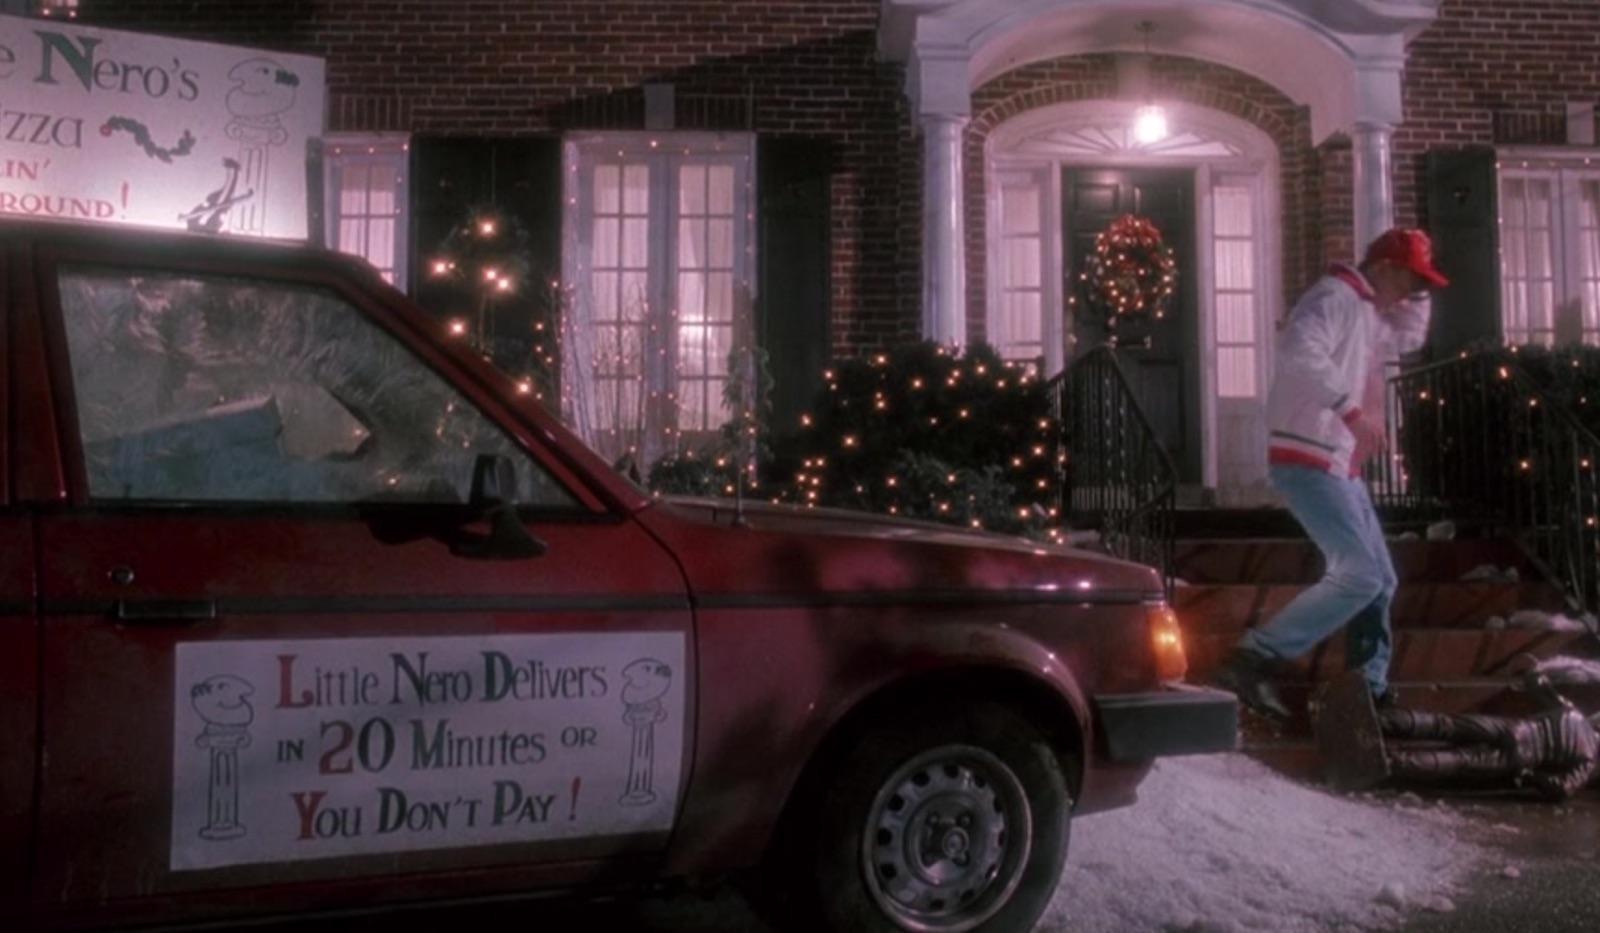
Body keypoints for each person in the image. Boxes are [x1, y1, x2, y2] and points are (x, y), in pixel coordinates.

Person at [1211, 228, 1449, 719]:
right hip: (1307, 455)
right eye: (1407, 280)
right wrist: (1350, 411)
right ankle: (1254, 656)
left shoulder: (1366, 310)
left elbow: (1408, 337)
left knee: (1381, 579)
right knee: (1360, 574)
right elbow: (1299, 353)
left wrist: (1422, 292)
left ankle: (1367, 688)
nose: (1407, 293)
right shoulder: (1333, 297)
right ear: (1382, 268)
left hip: (1338, 462)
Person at [1315, 669, 1600, 800]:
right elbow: (1562, 788)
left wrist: (1537, 671)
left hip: (1516, 728)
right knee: (1458, 760)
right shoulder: (1587, 761)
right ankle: (1391, 762)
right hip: (1521, 758)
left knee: (1445, 724)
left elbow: (1537, 682)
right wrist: (1529, 777)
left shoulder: (1573, 713)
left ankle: (1381, 721)